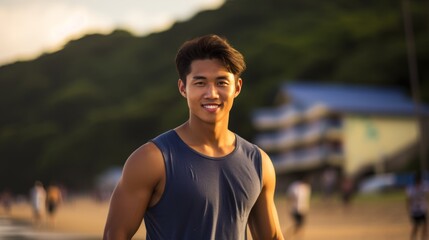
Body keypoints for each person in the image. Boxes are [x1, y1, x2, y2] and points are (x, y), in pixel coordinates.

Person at [103, 34, 284, 240]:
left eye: (222, 82)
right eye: (200, 83)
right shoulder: (152, 159)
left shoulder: (259, 163)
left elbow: (272, 237)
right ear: (183, 88)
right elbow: (115, 234)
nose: (212, 93)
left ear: (237, 88)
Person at [406, 173, 429, 240]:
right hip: (415, 210)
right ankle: (412, 238)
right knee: (416, 226)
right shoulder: (411, 189)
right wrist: (409, 209)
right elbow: (408, 200)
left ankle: (423, 238)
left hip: (422, 209)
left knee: (425, 225)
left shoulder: (424, 187)